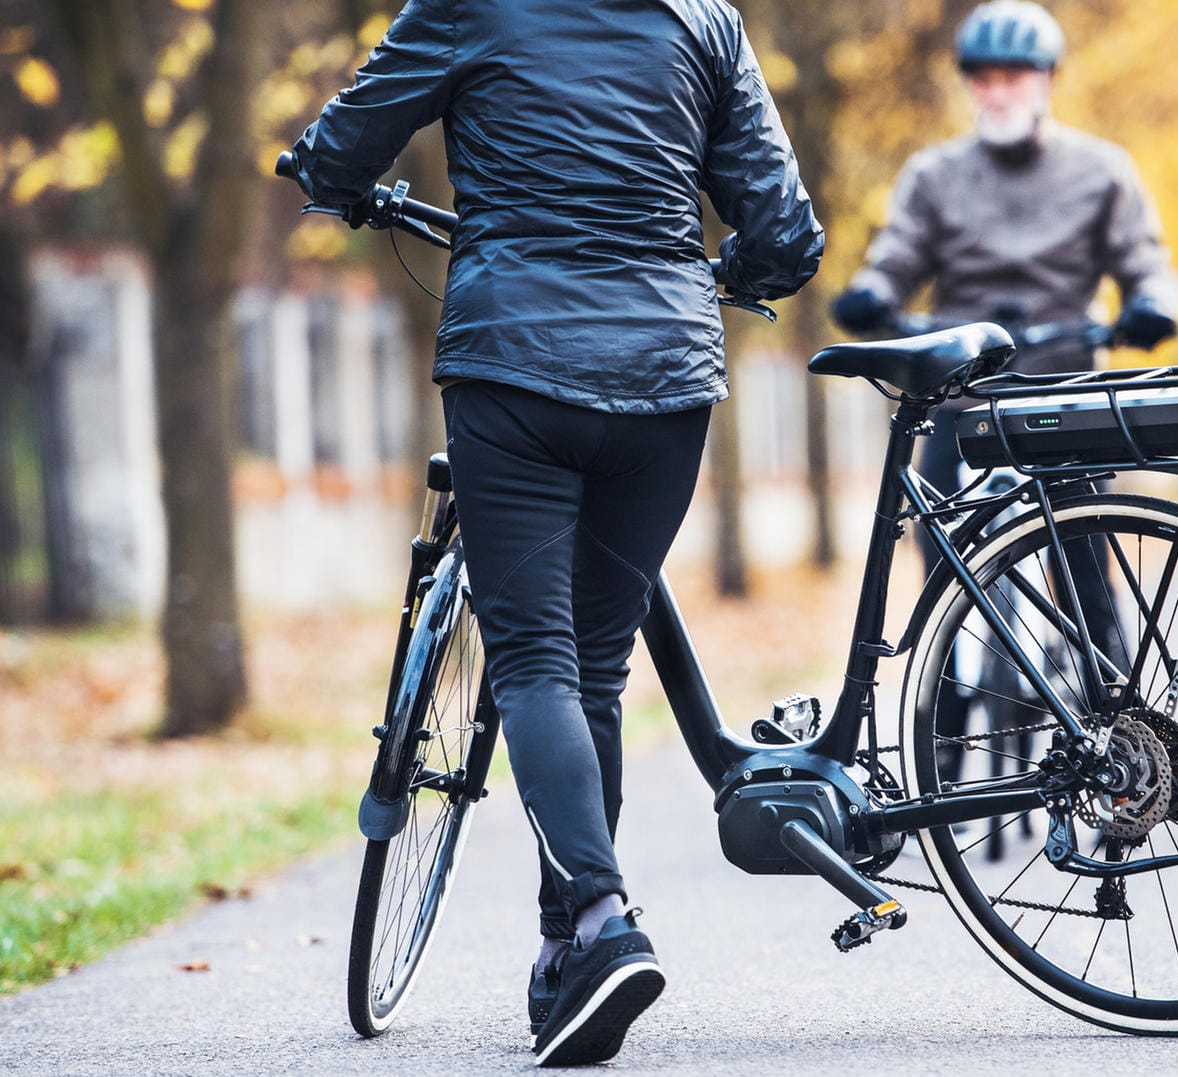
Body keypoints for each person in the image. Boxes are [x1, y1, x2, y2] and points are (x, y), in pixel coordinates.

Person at [287, 0, 821, 1065]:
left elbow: (346, 141)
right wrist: (741, 278)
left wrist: (334, 183)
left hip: (516, 367)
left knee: (532, 661)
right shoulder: (705, 21)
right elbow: (783, 231)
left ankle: (600, 922)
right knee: (594, 671)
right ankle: (565, 957)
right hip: (666, 379)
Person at [832, 0, 1178, 778]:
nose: (997, 92)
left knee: (1092, 585)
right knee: (941, 579)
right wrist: (868, 294)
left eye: (1013, 76)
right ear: (967, 87)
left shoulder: (1101, 171)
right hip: (963, 404)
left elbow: (1146, 262)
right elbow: (892, 261)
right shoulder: (934, 177)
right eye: (982, 79)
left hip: (1066, 405)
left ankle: (1125, 744)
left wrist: (1153, 304)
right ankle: (943, 740)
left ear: (1047, 81)